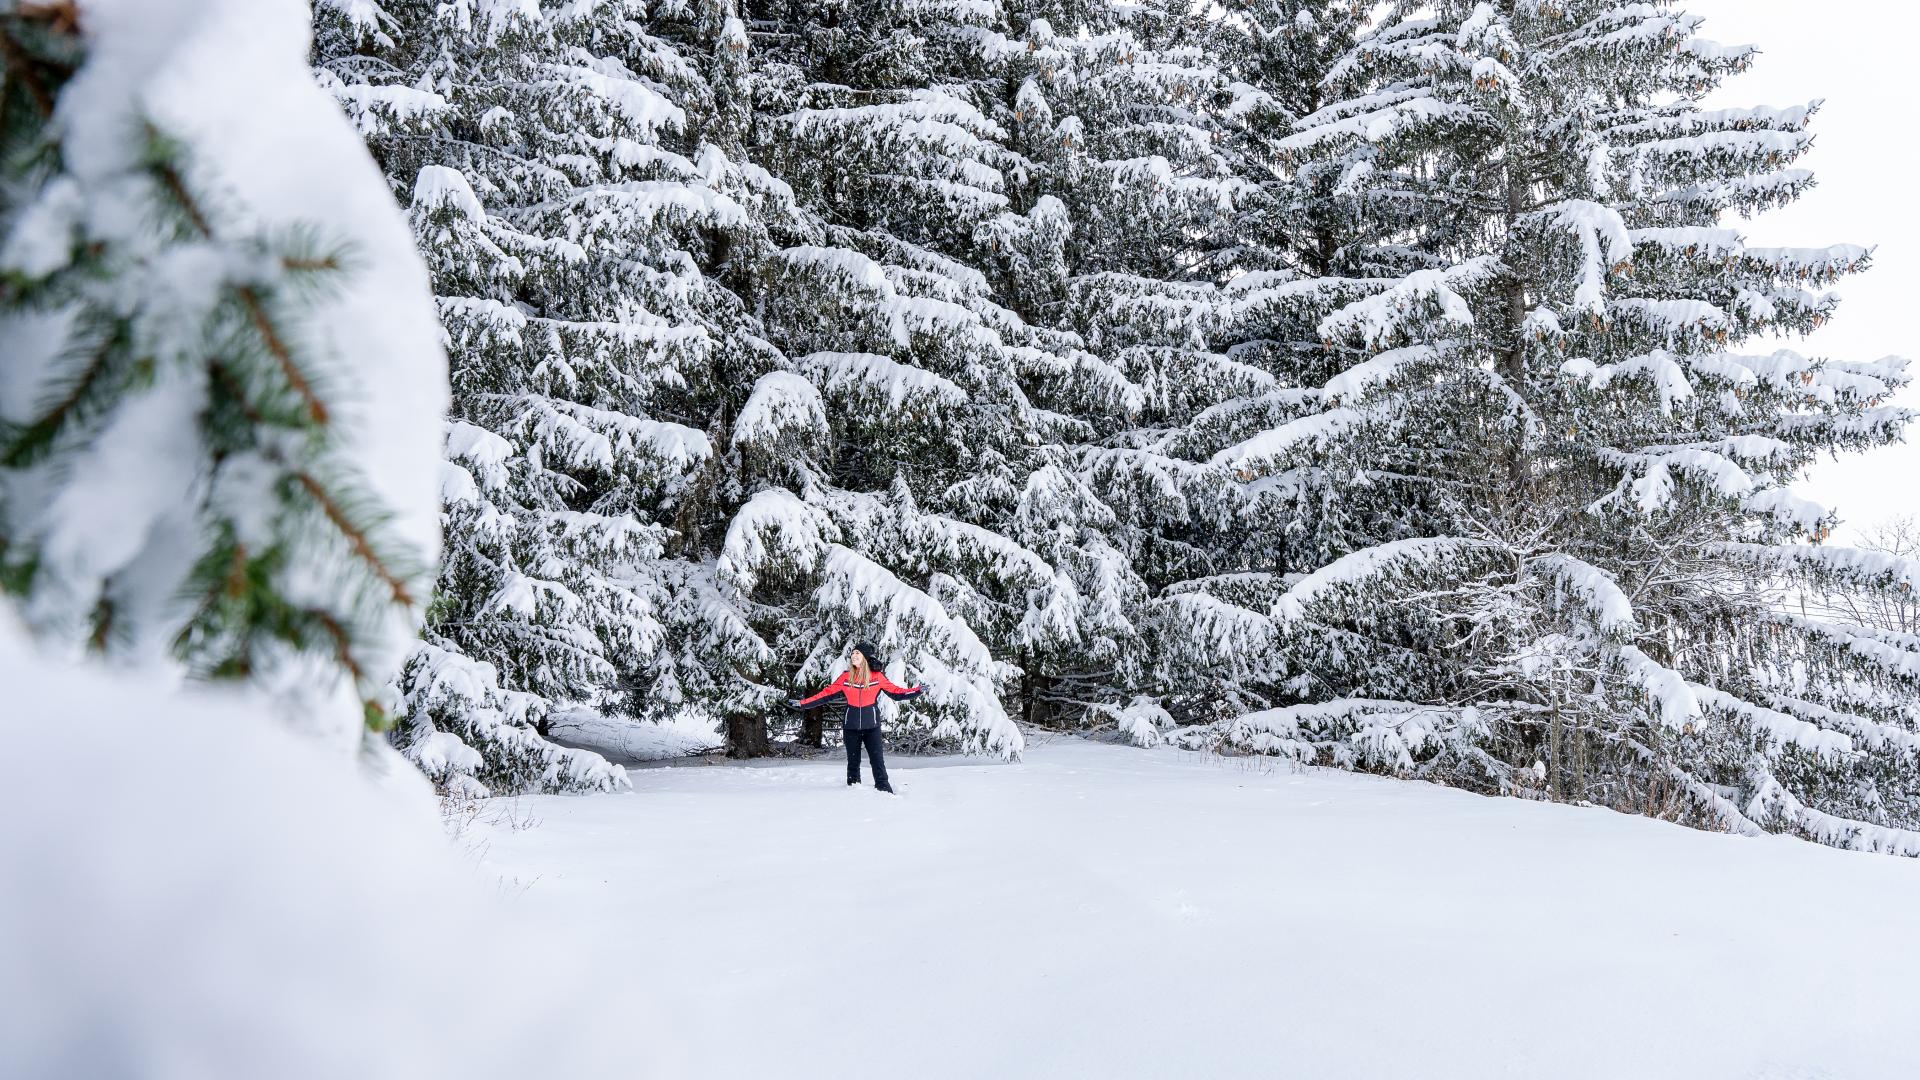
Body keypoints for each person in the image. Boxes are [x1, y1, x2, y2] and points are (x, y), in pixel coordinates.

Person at [787, 641, 922, 793]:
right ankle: (853, 790)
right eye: (852, 653)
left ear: (865, 657)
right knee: (853, 762)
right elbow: (825, 694)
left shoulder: (877, 677)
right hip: (850, 727)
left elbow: (897, 693)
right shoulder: (846, 677)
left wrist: (917, 691)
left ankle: (884, 788)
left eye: (857, 653)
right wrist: (803, 703)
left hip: (872, 727)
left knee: (877, 761)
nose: (853, 655)